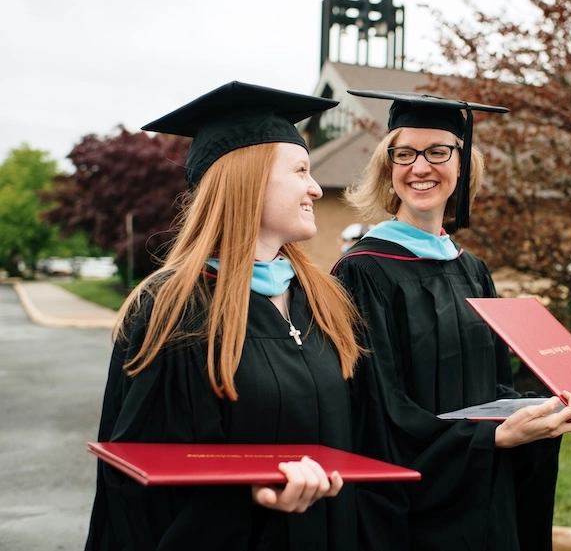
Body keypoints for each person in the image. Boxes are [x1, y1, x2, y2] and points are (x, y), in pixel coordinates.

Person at [332, 90, 571, 551]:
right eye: (405, 153)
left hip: (484, 495)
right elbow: (377, 412)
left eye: (438, 152)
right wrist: (484, 440)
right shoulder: (363, 271)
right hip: (418, 510)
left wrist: (567, 404)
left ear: (461, 163)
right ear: (387, 166)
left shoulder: (471, 269)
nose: (420, 167)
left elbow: (495, 389)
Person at [85, 81, 369, 551]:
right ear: (249, 181)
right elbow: (142, 486)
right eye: (301, 170)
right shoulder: (175, 309)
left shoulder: (324, 301)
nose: (316, 189)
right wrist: (249, 498)